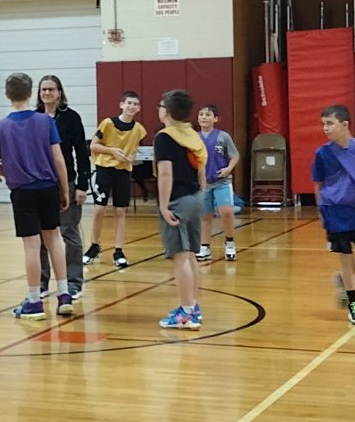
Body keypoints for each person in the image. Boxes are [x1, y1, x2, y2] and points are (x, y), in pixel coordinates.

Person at [0, 73, 74, 320]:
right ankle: (64, 294)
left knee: (31, 246)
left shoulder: (0, 127)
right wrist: (64, 189)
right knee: (54, 240)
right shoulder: (45, 121)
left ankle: (34, 300)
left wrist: (6, 172)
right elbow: (59, 159)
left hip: (22, 191)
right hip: (47, 187)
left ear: (7, 94)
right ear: (30, 92)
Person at [312, 104, 355, 326]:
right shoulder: (322, 153)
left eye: (329, 123)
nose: (325, 128)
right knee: (347, 260)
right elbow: (318, 184)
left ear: (345, 124)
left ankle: (341, 279)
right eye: (323, 124)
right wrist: (322, 211)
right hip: (334, 211)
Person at [155, 90, 207, 330]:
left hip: (177, 199)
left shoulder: (165, 137)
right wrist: (201, 194)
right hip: (195, 197)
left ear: (166, 111)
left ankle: (186, 313)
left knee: (180, 257)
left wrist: (164, 205)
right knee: (191, 255)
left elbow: (165, 173)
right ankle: (193, 305)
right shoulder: (193, 135)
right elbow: (201, 170)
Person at [36, 76, 90, 300]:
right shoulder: (34, 118)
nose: (47, 93)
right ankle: (41, 283)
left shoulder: (71, 118)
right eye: (43, 89)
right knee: (39, 235)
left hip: (66, 182)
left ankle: (74, 282)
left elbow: (81, 152)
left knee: (69, 233)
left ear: (59, 92)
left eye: (51, 89)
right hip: (40, 183)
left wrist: (81, 186)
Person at [85, 91, 147, 267]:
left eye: (135, 104)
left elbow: (133, 150)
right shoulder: (108, 123)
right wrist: (112, 151)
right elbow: (93, 146)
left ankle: (118, 250)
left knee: (120, 211)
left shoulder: (138, 129)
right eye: (129, 103)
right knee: (99, 209)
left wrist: (129, 157)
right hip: (104, 170)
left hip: (123, 172)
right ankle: (94, 246)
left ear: (139, 108)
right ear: (121, 105)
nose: (131, 106)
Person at [197, 104, 240, 261]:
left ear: (215, 118)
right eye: (201, 114)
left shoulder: (223, 137)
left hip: (222, 181)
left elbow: (235, 155)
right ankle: (204, 247)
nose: (203, 117)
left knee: (226, 211)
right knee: (205, 215)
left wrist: (228, 168)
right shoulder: (194, 138)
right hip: (203, 183)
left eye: (207, 114)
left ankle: (229, 243)